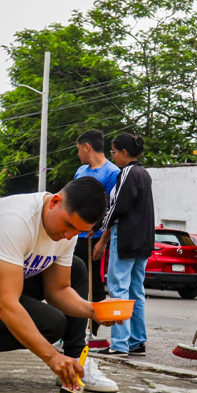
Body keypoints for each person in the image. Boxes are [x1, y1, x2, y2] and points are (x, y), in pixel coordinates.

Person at [0, 177, 119, 393]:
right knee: (51, 324)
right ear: (55, 201)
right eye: (68, 226)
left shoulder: (68, 231)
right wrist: (52, 357)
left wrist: (93, 310)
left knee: (76, 268)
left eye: (77, 232)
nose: (68, 236)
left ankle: (76, 362)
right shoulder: (15, 219)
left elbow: (58, 290)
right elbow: (6, 304)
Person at [94, 133, 154, 357]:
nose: (113, 157)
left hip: (126, 237)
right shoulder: (144, 173)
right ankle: (137, 341)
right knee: (135, 291)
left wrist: (100, 228)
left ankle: (119, 344)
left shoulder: (127, 172)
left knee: (118, 289)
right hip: (144, 239)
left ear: (124, 153)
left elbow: (117, 206)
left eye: (113, 152)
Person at [73, 129, 120, 325]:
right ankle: (75, 327)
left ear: (87, 147)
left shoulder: (112, 173)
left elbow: (112, 209)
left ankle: (95, 328)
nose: (78, 154)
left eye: (78, 149)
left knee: (95, 283)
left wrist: (103, 241)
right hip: (76, 236)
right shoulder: (80, 172)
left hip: (95, 238)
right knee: (73, 282)